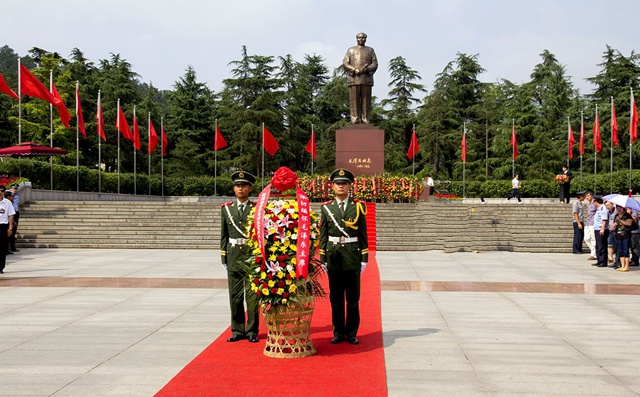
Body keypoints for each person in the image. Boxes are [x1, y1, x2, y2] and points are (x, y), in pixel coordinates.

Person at [320, 168, 369, 345]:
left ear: (350, 186)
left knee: (353, 299)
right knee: (336, 298)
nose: (341, 186)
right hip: (334, 257)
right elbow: (323, 235)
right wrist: (323, 258)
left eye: (344, 183)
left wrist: (364, 258)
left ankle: (352, 332)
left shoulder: (358, 207)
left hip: (352, 256)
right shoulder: (326, 208)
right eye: (337, 183)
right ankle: (338, 332)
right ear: (332, 186)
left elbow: (363, 234)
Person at [220, 171, 259, 343]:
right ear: (234, 188)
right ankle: (237, 330)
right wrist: (224, 257)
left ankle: (252, 331)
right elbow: (224, 235)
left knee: (252, 296)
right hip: (234, 255)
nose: (240, 188)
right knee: (235, 296)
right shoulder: (227, 209)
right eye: (237, 185)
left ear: (250, 188)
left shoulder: (257, 209)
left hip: (251, 256)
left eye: (243, 185)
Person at [343, 32, 378, 124]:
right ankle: (355, 118)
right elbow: (345, 63)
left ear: (366, 39)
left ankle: (365, 118)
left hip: (366, 78)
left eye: (363, 38)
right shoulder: (351, 50)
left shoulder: (370, 50)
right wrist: (354, 70)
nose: (361, 39)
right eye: (359, 38)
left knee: (366, 100)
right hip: (354, 78)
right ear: (356, 39)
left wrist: (367, 69)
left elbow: (375, 63)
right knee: (353, 100)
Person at [612, 205, 633, 272]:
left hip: (626, 235)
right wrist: (615, 224)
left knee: (626, 251)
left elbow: (629, 223)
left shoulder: (627, 215)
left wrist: (620, 220)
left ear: (623, 208)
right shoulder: (616, 216)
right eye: (617, 208)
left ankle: (627, 266)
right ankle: (622, 265)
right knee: (620, 251)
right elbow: (615, 224)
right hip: (618, 235)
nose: (618, 209)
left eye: (619, 208)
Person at [0, 187, 16, 274]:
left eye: (2, 191)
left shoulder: (7, 203)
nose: (0, 192)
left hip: (3, 226)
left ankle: (1, 267)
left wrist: (10, 227)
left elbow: (10, 215)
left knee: (2, 248)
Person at [591, 196, 609, 268]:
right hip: (597, 229)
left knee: (602, 246)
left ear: (596, 201)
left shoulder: (603, 208)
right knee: (598, 246)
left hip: (601, 229)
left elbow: (604, 219)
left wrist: (602, 228)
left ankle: (603, 261)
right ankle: (599, 260)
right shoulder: (599, 209)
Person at [583, 191, 597, 260]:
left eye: (588, 196)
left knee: (593, 239)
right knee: (586, 238)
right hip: (588, 222)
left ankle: (593, 254)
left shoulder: (595, 203)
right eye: (586, 196)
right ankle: (595, 251)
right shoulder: (589, 203)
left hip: (593, 223)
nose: (586, 197)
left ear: (591, 196)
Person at [8, 184, 19, 253]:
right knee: (10, 230)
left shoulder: (17, 196)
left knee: (14, 230)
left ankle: (12, 247)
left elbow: (17, 204)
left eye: (16, 188)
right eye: (13, 188)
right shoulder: (7, 195)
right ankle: (10, 247)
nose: (15, 190)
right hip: (10, 213)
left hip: (16, 212)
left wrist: (18, 210)